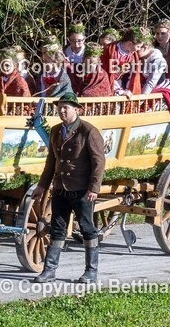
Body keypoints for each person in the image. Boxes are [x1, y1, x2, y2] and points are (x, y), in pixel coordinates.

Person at [31, 92, 106, 283]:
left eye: (66, 107)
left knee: (87, 229)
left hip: (81, 190)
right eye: (59, 107)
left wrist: (94, 188)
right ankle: (49, 270)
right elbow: (51, 162)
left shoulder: (88, 131)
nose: (62, 111)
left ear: (77, 110)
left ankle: (91, 271)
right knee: (57, 229)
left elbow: (99, 162)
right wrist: (42, 186)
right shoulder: (56, 130)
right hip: (60, 189)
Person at [104, 28, 143, 96]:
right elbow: (106, 73)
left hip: (122, 84)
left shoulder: (133, 55)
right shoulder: (110, 50)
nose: (139, 49)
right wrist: (119, 91)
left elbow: (133, 75)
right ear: (130, 44)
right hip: (108, 85)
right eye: (138, 46)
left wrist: (128, 89)